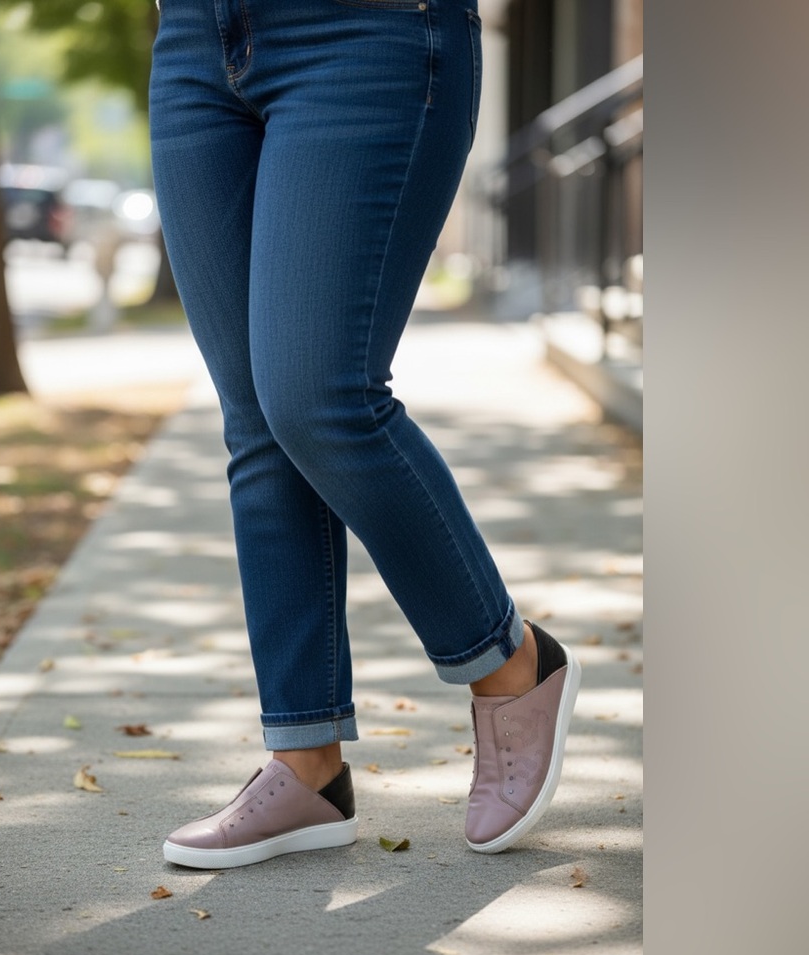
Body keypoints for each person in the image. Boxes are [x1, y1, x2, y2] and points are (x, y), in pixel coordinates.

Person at [148, 0, 580, 868]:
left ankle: (508, 660)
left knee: (320, 398)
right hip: (196, 37)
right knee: (257, 424)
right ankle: (306, 761)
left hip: (366, 33)